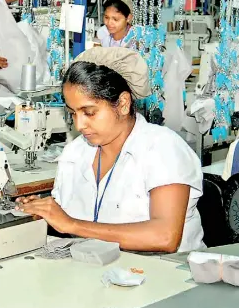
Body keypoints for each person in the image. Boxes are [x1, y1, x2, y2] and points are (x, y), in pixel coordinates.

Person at [16, 47, 205, 253]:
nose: (79, 125)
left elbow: (165, 236)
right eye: (72, 114)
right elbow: (62, 216)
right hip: (99, 270)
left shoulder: (163, 148)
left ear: (123, 104)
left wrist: (71, 224)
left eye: (89, 113)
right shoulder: (75, 153)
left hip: (168, 274)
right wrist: (39, 211)